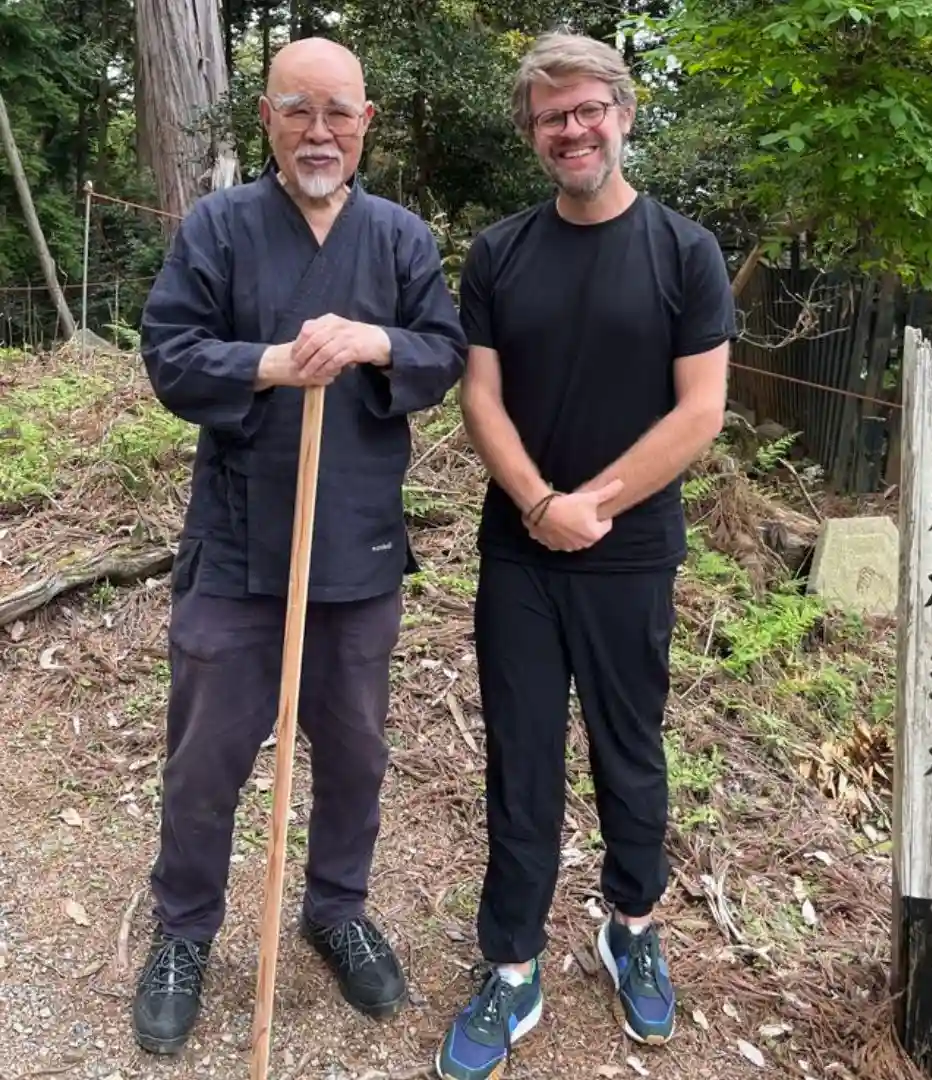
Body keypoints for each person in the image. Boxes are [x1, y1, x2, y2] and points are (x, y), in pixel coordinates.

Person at [132, 36, 467, 1055]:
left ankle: (336, 909)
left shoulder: (401, 239)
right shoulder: (219, 230)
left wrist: (375, 343)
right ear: (268, 120)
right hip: (236, 550)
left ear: (367, 121)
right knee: (204, 761)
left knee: (357, 753)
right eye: (296, 109)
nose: (319, 131)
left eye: (338, 112)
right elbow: (171, 352)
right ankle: (185, 933)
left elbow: (444, 349)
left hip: (358, 549)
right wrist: (273, 362)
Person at [435, 30, 737, 1080]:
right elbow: (480, 391)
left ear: (624, 112)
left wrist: (591, 505)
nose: (573, 129)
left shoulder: (684, 252)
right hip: (518, 553)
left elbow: (702, 409)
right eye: (552, 116)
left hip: (630, 549)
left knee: (629, 751)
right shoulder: (498, 252)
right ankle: (510, 968)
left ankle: (632, 926)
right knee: (521, 758)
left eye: (588, 109)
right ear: (534, 134)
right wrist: (537, 503)